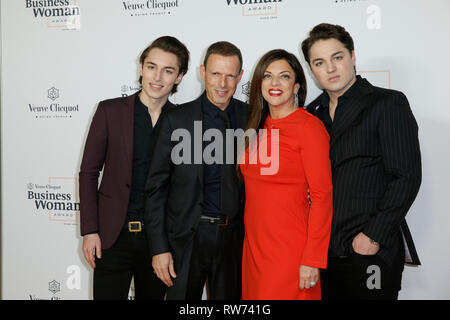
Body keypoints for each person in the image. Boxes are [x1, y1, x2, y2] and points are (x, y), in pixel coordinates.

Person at [301, 23, 422, 300]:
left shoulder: (387, 103)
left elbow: (406, 177)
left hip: (371, 253)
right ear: (311, 69)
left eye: (337, 57)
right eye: (320, 62)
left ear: (353, 57)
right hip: (324, 255)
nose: (330, 68)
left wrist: (372, 236)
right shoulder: (311, 116)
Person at [79, 36, 189, 300]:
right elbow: (88, 173)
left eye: (168, 70)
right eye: (152, 66)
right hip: (111, 238)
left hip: (159, 243)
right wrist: (90, 230)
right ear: (141, 68)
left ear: (180, 77)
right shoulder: (109, 111)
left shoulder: (183, 122)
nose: (158, 77)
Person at [144, 41, 248, 300]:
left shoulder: (252, 118)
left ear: (240, 77)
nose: (222, 84)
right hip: (186, 240)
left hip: (234, 240)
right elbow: (156, 188)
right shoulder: (176, 119)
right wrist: (159, 249)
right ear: (202, 72)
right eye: (215, 74)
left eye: (230, 76)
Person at [239, 49, 333, 300]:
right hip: (254, 251)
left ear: (297, 86)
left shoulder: (309, 128)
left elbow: (323, 196)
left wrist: (312, 259)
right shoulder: (254, 128)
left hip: (291, 252)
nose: (275, 83)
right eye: (267, 76)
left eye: (284, 76)